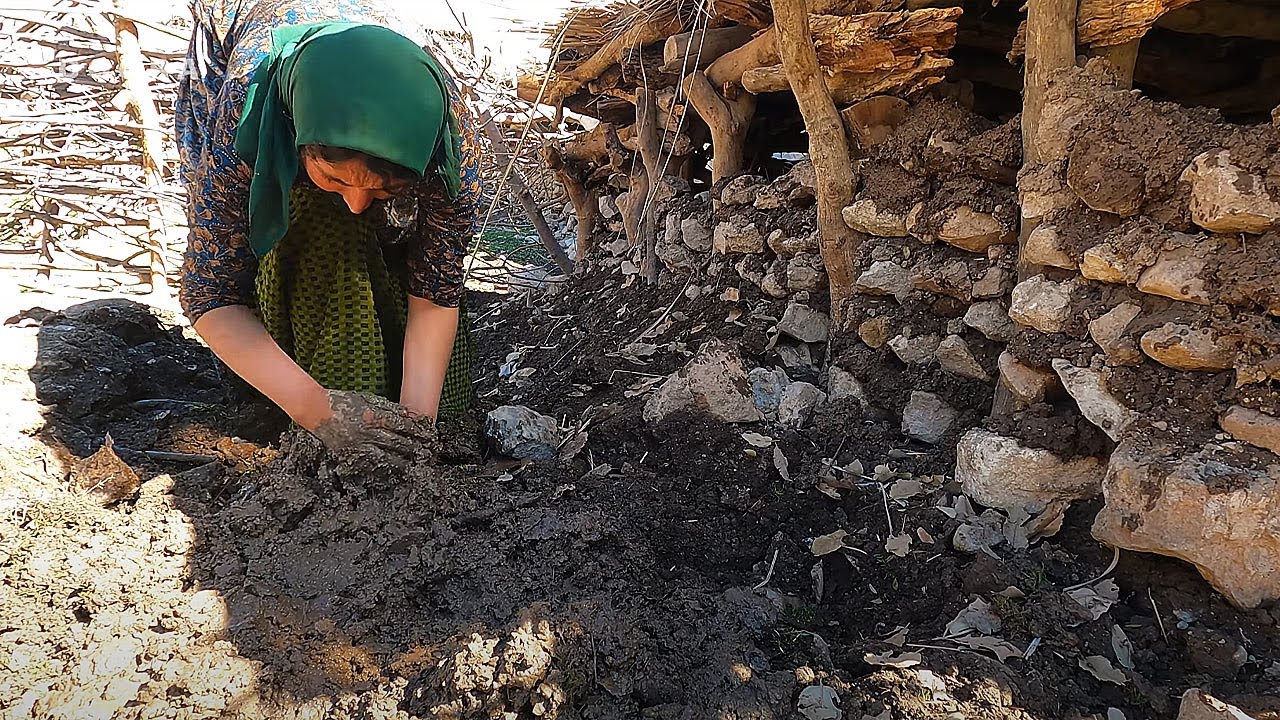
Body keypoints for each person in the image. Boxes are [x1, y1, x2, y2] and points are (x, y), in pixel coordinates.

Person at [175, 0, 483, 458]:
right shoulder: (243, 120)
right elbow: (210, 293)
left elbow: (436, 291)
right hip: (252, 64)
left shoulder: (448, 141)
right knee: (312, 226)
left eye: (383, 189)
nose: (358, 204)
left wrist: (415, 432)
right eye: (336, 178)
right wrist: (317, 409)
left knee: (391, 241)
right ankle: (282, 377)